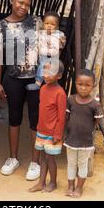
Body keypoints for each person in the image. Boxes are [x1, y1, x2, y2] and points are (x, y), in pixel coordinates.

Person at [0, 0, 43, 180]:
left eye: (27, 4)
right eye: (20, 2)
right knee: (13, 119)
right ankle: (13, 158)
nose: (23, 7)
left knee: (35, 120)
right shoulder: (1, 26)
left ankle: (35, 162)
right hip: (12, 79)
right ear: (12, 1)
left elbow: (47, 47)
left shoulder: (36, 22)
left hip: (35, 80)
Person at [64, 69, 104, 198]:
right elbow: (66, 117)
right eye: (80, 84)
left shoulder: (95, 105)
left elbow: (97, 121)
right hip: (71, 139)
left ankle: (79, 188)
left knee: (82, 164)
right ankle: (70, 186)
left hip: (85, 142)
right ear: (75, 83)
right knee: (71, 163)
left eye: (87, 85)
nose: (83, 88)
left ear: (93, 86)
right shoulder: (70, 100)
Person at [29, 61, 66, 193]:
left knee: (50, 159)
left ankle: (53, 183)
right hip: (41, 130)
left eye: (50, 73)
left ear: (59, 76)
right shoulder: (43, 89)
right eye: (44, 71)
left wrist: (57, 134)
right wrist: (39, 127)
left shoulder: (60, 93)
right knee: (42, 158)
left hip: (52, 133)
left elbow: (61, 117)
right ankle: (41, 182)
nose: (45, 75)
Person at [26, 11, 66, 91]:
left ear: (57, 26)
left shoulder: (59, 34)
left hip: (53, 58)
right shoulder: (41, 33)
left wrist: (62, 42)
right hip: (43, 56)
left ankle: (43, 84)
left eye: (52, 24)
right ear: (43, 24)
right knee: (41, 67)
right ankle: (38, 83)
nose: (49, 26)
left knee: (49, 70)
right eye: (47, 23)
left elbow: (61, 46)